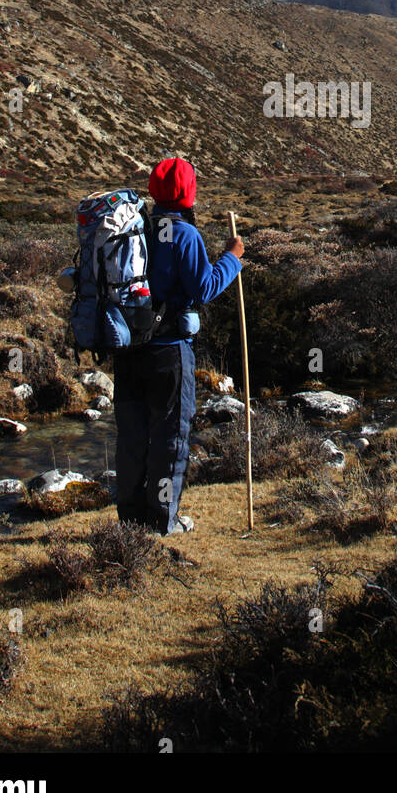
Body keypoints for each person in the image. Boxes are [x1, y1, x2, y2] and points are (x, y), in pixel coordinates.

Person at [112, 156, 244, 535]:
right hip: (169, 351)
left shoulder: (134, 229)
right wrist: (232, 259)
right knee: (170, 437)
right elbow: (203, 288)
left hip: (128, 350)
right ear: (189, 193)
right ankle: (162, 520)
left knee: (133, 435)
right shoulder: (184, 234)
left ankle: (129, 521)